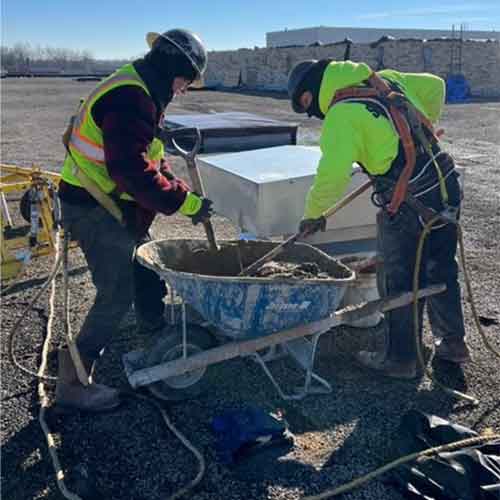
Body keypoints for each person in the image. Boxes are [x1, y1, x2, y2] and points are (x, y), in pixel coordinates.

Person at [57, 29, 213, 411]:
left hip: (113, 204)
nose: (183, 90)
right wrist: (185, 204)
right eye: (186, 82)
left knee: (146, 266)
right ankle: (73, 382)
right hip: (93, 207)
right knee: (117, 293)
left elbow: (150, 158)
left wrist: (179, 190)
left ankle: (154, 334)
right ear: (176, 70)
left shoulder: (139, 87)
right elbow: (131, 171)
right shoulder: (132, 98)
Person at [287, 59, 470, 379]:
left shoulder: (341, 115)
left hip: (409, 201)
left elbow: (331, 176)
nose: (311, 112)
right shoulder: (386, 80)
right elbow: (435, 85)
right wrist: (421, 131)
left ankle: (401, 359)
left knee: (397, 278)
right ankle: (452, 343)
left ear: (311, 92)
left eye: (306, 104)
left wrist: (313, 215)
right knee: (440, 266)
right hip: (444, 182)